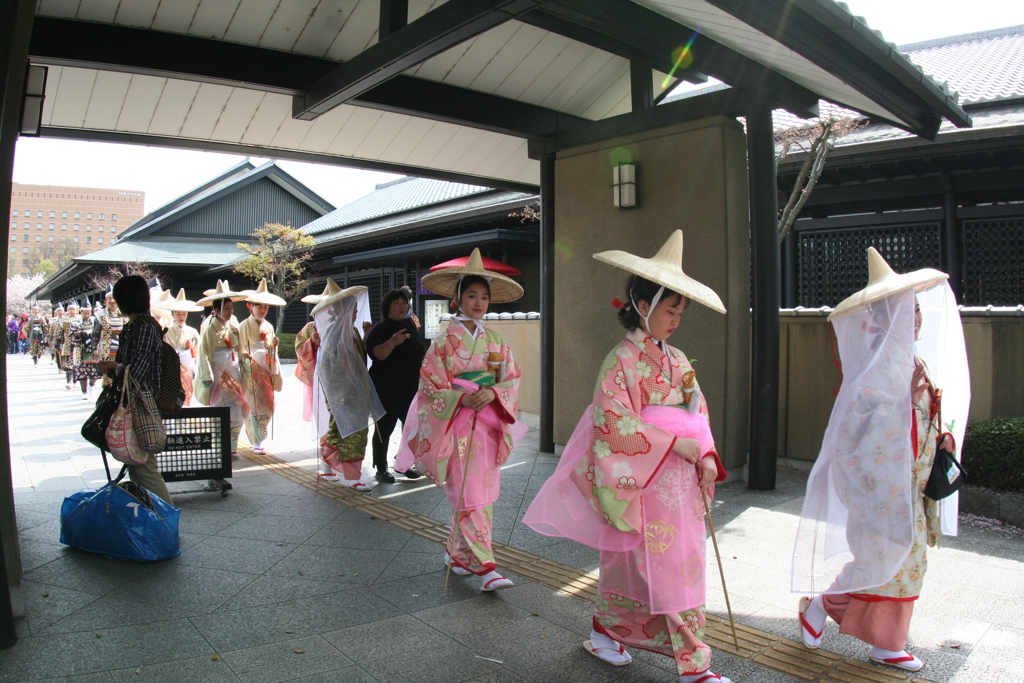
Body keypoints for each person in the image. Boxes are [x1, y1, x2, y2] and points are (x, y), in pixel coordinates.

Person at [523, 230, 730, 683]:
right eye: (669, 310)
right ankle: (694, 663)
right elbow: (613, 423)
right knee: (650, 563)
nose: (675, 320)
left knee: (667, 563)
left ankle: (607, 627)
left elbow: (699, 411)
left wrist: (708, 454)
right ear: (641, 304)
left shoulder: (679, 360)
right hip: (645, 478)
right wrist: (676, 443)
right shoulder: (620, 361)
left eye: (680, 311)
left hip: (678, 477)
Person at [792, 248, 970, 673]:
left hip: (908, 484)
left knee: (905, 565)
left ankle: (878, 636)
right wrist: (904, 407)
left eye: (916, 310)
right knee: (879, 562)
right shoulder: (872, 367)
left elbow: (924, 417)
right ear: (884, 318)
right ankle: (825, 608)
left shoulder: (913, 361)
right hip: (881, 487)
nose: (916, 318)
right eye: (907, 311)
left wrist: (939, 435)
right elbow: (856, 433)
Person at [395, 248, 526, 591]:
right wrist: (460, 397)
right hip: (454, 425)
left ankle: (456, 554)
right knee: (469, 493)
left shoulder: (495, 341)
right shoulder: (442, 343)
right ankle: (486, 567)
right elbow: (430, 388)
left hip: (485, 426)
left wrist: (494, 393)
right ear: (457, 299)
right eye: (471, 295)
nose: (479, 302)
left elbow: (510, 377)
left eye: (484, 296)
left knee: (480, 493)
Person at [96, 275, 174, 506]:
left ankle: (167, 520)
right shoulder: (135, 326)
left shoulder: (145, 327)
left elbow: (137, 372)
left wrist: (114, 367)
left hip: (142, 404)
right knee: (137, 467)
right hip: (134, 403)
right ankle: (153, 519)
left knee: (146, 468)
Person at [303, 283, 383, 490]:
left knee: (339, 429)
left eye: (355, 307)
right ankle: (353, 476)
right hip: (342, 391)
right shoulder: (335, 332)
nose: (356, 311)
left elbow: (358, 357)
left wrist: (366, 335)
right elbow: (328, 365)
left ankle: (327, 465)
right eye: (352, 307)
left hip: (353, 390)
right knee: (353, 431)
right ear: (342, 309)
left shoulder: (352, 331)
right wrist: (342, 390)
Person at [365, 288, 425, 483]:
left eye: (404, 303)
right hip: (386, 388)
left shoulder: (409, 324)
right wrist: (392, 342)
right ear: (387, 307)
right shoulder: (380, 328)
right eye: (397, 303)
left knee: (409, 427)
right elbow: (377, 354)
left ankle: (404, 463)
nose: (402, 306)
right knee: (385, 427)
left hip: (410, 386)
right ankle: (381, 468)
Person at [195, 280, 250, 456]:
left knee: (238, 407)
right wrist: (207, 375)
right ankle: (221, 446)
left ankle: (232, 445)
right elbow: (204, 354)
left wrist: (245, 358)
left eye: (231, 309)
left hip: (233, 373)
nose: (230, 312)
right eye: (226, 309)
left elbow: (240, 349)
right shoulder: (210, 330)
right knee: (220, 410)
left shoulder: (233, 327)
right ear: (216, 310)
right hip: (219, 375)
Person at [238, 279, 284, 454]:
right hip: (251, 370)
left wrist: (274, 345)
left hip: (266, 369)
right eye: (260, 307)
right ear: (251, 306)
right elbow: (240, 347)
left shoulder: (269, 326)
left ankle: (260, 437)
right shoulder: (243, 326)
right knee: (252, 404)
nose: (263, 310)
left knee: (268, 404)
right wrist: (246, 357)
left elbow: (271, 349)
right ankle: (256, 440)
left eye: (266, 307)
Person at [163, 290, 203, 406]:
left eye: (184, 314)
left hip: (188, 367)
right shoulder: (168, 331)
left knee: (187, 391)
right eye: (178, 314)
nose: (181, 317)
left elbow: (197, 350)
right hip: (173, 366)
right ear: (173, 314)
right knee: (174, 392)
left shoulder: (192, 331)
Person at [69, 296, 101, 399]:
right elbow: (71, 336)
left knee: (95, 371)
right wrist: (81, 334)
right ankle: (84, 391)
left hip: (93, 349)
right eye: (84, 313)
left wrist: (92, 334)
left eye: (88, 313)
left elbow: (100, 333)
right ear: (81, 312)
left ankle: (92, 385)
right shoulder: (75, 322)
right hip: (81, 349)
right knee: (82, 372)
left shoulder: (94, 321)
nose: (87, 315)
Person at [95, 285, 126, 387]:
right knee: (108, 379)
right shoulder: (100, 315)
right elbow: (95, 333)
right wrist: (93, 349)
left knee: (121, 377)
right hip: (107, 350)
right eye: (109, 298)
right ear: (105, 300)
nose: (112, 301)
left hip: (122, 349)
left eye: (114, 298)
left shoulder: (124, 313)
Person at [59, 300, 82, 389]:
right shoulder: (64, 320)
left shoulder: (81, 318)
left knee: (77, 363)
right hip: (68, 343)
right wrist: (57, 343)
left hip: (78, 344)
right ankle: (68, 381)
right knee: (68, 364)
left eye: (73, 309)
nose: (72, 311)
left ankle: (75, 381)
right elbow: (59, 332)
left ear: (77, 310)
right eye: (70, 309)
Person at [49, 301, 64, 371]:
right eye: (59, 311)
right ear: (56, 312)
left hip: (65, 339)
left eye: (61, 310)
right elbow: (51, 332)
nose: (60, 312)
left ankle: (64, 366)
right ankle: (59, 367)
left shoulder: (66, 319)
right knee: (58, 353)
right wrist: (50, 340)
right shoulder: (54, 321)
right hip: (57, 339)